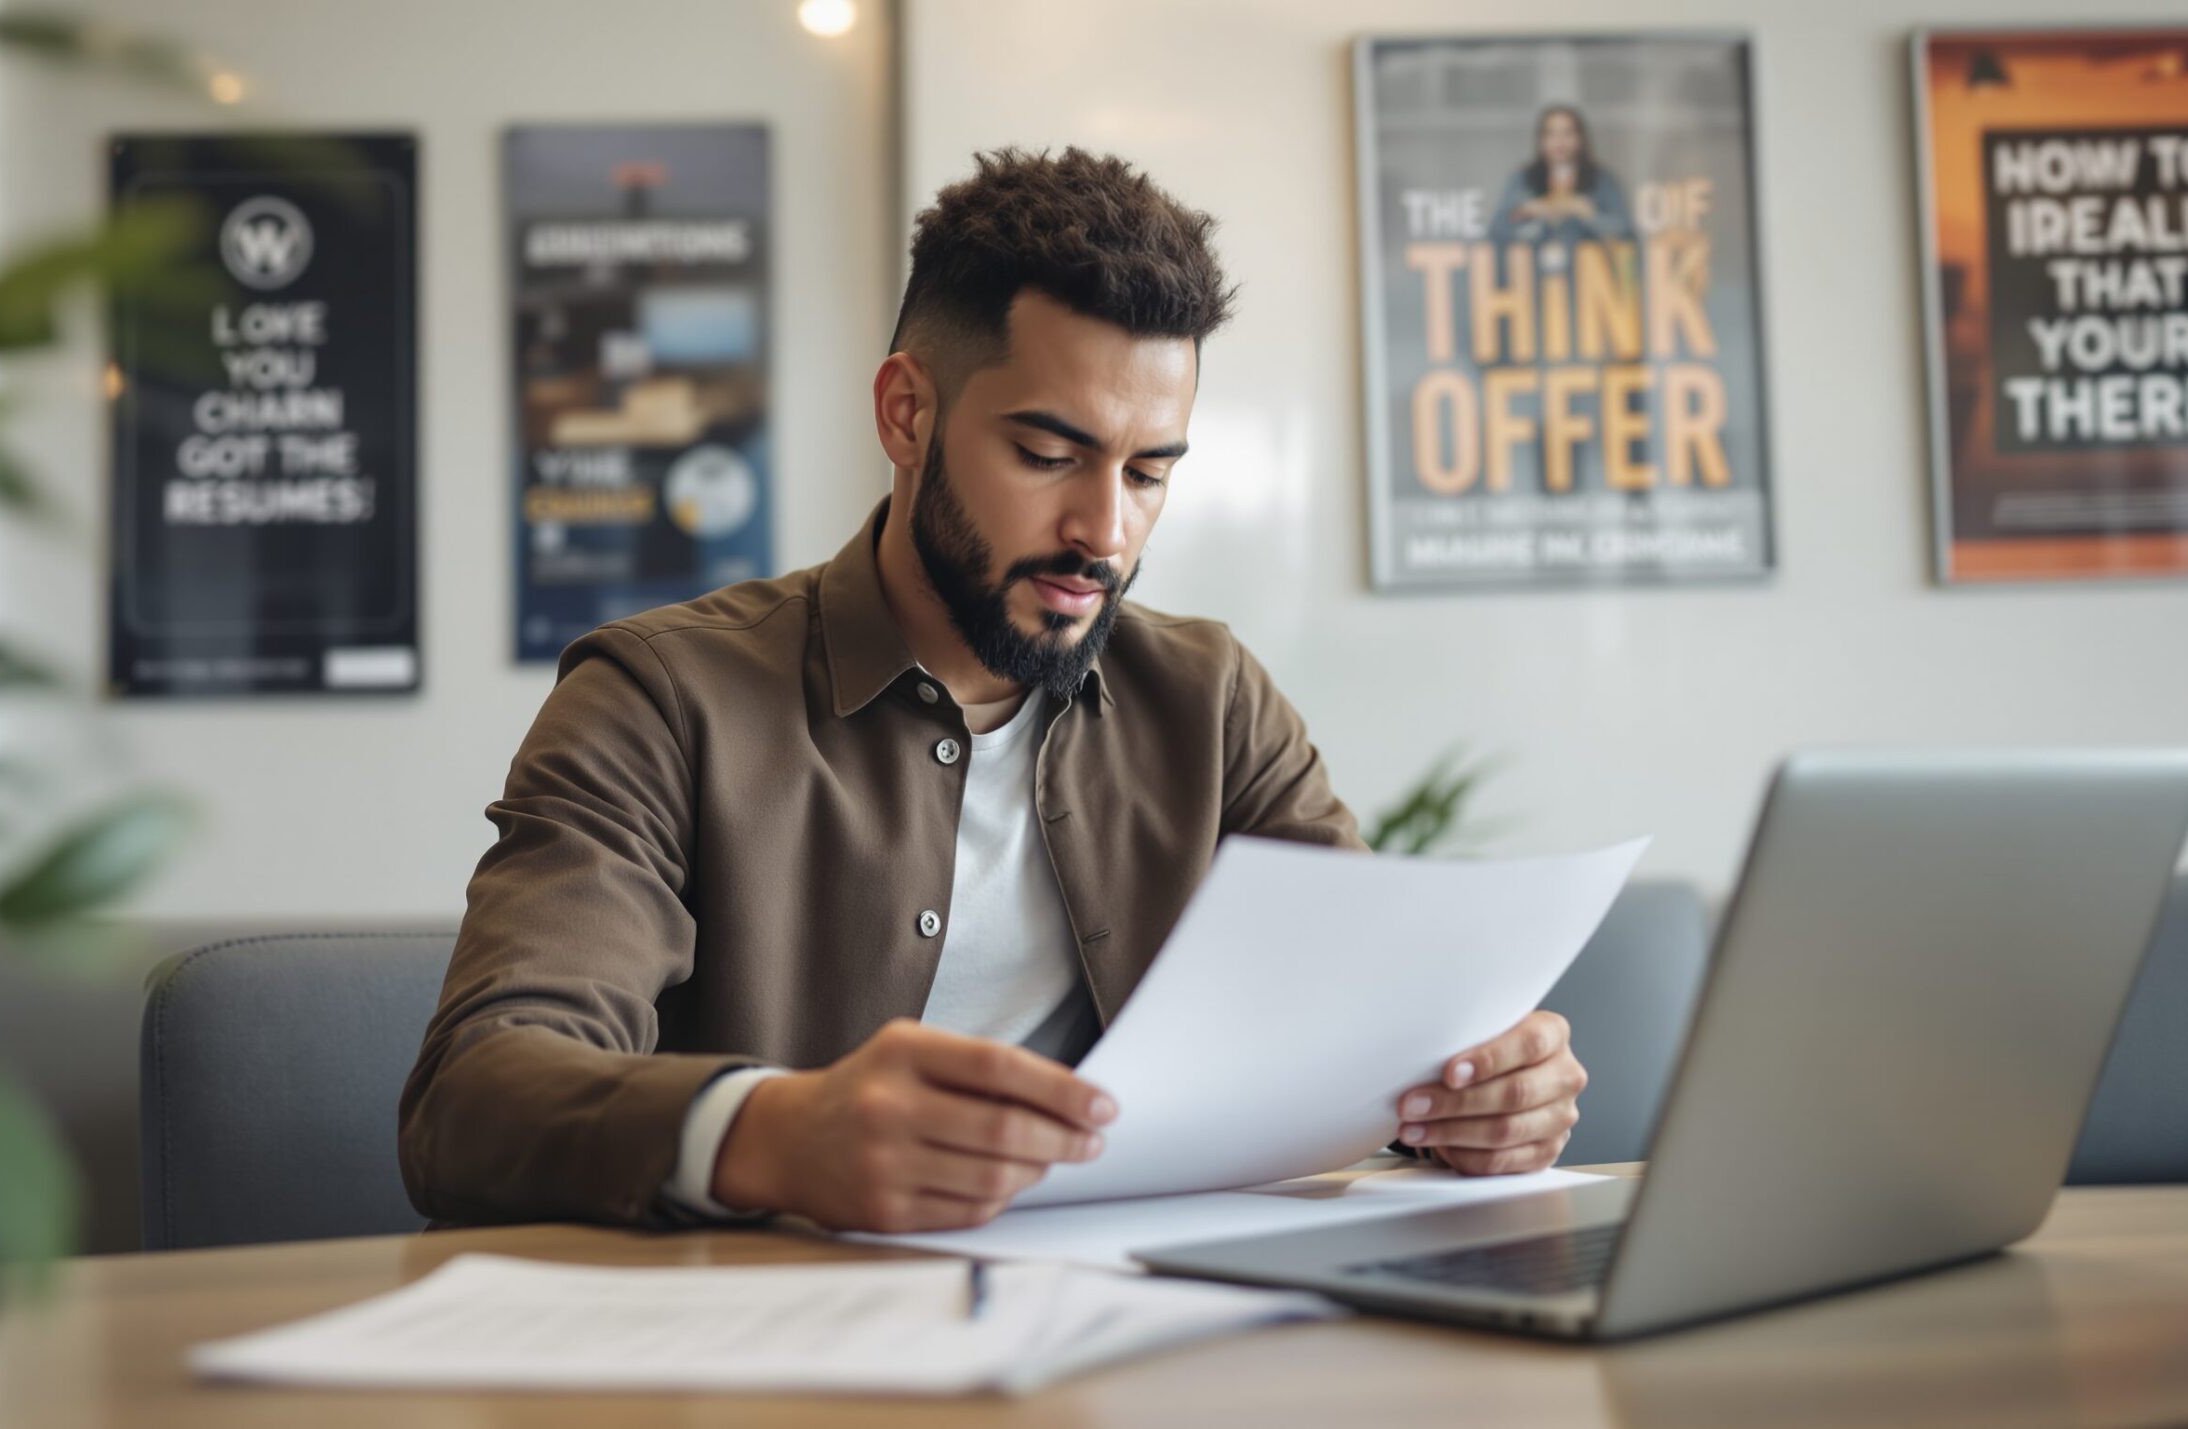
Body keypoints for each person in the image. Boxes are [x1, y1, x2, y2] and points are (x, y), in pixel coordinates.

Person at [399, 147, 1586, 1234]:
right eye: (1048, 455)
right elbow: (476, 1095)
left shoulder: (1212, 699)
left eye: (1148, 473)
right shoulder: (659, 698)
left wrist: (1476, 1096)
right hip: (774, 1337)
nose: (1103, 531)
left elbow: (1376, 1025)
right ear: (906, 413)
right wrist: (773, 1131)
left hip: (1142, 1328)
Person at [1492, 104, 1633, 249]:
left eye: (1567, 133)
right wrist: (1528, 212)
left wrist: (1588, 214)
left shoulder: (1602, 180)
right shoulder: (1523, 179)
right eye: (1551, 134)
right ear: (1541, 140)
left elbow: (1624, 230)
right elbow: (1497, 231)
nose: (1559, 142)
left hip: (1587, 260)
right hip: (1535, 260)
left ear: (1580, 138)